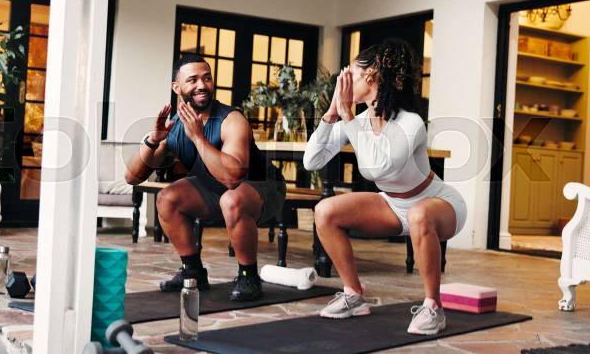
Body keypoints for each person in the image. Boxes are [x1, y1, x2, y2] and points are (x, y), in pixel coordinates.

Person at [302, 38, 466, 335]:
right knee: (325, 210)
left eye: (349, 73)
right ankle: (353, 295)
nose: (343, 81)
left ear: (371, 75)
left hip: (438, 204)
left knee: (418, 214)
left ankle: (433, 307)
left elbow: (378, 166)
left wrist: (348, 115)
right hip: (392, 205)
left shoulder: (410, 123)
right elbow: (311, 161)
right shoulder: (359, 120)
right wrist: (331, 114)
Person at [125, 54, 286, 302]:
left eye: (207, 78)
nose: (202, 85)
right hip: (215, 188)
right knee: (167, 198)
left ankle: (248, 276)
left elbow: (232, 179)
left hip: (262, 187)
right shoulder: (176, 125)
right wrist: (153, 141)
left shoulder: (232, 120)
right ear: (177, 87)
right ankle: (193, 272)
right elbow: (132, 177)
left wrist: (198, 138)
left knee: (232, 199)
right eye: (192, 80)